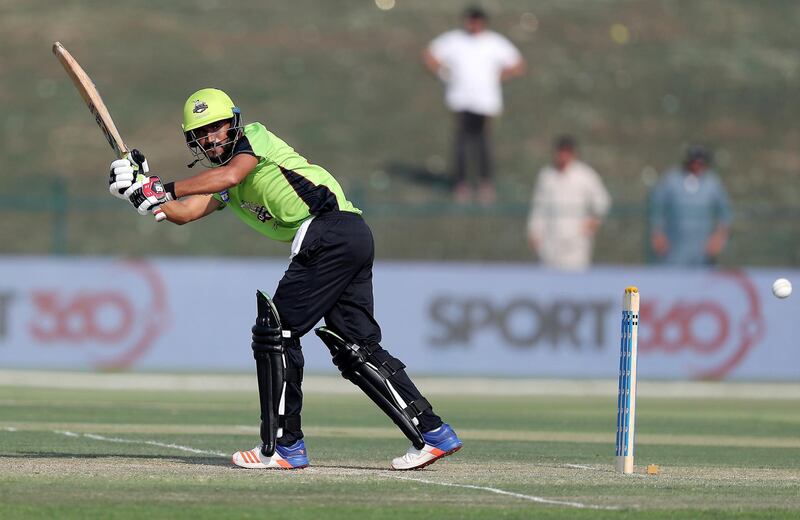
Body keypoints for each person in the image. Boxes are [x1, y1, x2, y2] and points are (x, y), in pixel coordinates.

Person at [107, 88, 462, 470]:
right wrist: (139, 190)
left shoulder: (253, 140)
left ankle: (283, 446)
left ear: (234, 123)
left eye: (218, 127)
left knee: (276, 332)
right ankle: (433, 433)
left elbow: (230, 173)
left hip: (328, 230)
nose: (212, 138)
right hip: (350, 235)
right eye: (202, 133)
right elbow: (184, 212)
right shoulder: (227, 183)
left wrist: (161, 186)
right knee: (355, 347)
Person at [423, 6, 525, 204]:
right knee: (461, 141)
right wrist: (442, 72)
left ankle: (485, 181)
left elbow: (518, 64)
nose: (473, 24)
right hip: (460, 99)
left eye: (477, 20)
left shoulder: (494, 43)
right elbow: (429, 55)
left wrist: (499, 77)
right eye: (470, 19)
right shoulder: (454, 40)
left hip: (485, 102)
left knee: (483, 142)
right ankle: (461, 182)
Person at [526, 136, 611, 271]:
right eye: (561, 151)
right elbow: (538, 207)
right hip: (550, 243)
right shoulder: (546, 176)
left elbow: (602, 201)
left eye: (567, 151)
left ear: (573, 153)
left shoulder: (585, 175)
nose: (563, 155)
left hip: (576, 244)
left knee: (575, 286)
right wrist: (534, 231)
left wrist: (594, 221)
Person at [649, 145, 732, 266]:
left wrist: (719, 237)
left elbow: (725, 212)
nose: (696, 166)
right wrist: (657, 233)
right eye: (693, 162)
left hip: (702, 251)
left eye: (700, 163)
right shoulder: (672, 179)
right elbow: (656, 206)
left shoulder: (712, 182)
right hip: (673, 248)